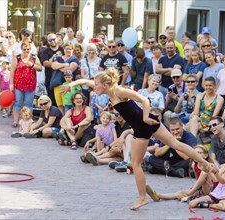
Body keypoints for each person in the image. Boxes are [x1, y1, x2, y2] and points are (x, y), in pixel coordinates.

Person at [61, 67, 213, 210]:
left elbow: (144, 100)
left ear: (106, 85)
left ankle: (142, 197)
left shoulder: (120, 91)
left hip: (144, 125)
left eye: (96, 86)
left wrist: (146, 117)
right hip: (146, 123)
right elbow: (83, 81)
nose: (93, 88)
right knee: (175, 144)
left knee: (136, 163)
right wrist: (70, 85)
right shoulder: (109, 90)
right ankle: (205, 163)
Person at [146, 145, 215, 202]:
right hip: (201, 189)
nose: (196, 155)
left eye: (199, 153)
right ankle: (158, 195)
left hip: (211, 190)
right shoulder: (194, 165)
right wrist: (195, 190)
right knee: (180, 192)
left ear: (205, 155)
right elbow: (198, 180)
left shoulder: (209, 166)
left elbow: (215, 182)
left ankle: (190, 193)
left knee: (204, 173)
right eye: (194, 153)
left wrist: (192, 191)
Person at [10, 41, 43, 128]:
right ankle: (16, 121)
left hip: (30, 85)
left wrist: (32, 65)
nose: (26, 51)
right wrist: (11, 84)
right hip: (18, 85)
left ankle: (28, 121)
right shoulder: (17, 57)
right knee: (17, 103)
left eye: (28, 49)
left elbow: (40, 68)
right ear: (21, 49)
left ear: (30, 49)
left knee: (28, 104)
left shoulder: (34, 57)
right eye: (24, 49)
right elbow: (12, 71)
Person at [51, 42, 80, 114]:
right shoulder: (58, 58)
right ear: (63, 49)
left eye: (70, 49)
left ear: (73, 50)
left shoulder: (74, 59)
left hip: (68, 85)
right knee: (60, 105)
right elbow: (53, 66)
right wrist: (65, 64)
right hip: (57, 84)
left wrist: (59, 67)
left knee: (67, 105)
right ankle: (62, 120)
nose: (68, 50)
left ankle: (68, 121)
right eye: (66, 48)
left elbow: (69, 70)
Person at [41, 33, 64, 106]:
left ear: (57, 39)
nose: (52, 41)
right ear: (48, 42)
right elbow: (45, 63)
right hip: (50, 80)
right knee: (52, 101)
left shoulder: (62, 49)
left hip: (62, 79)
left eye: (54, 39)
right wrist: (56, 65)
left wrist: (55, 65)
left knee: (62, 102)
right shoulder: (46, 51)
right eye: (50, 40)